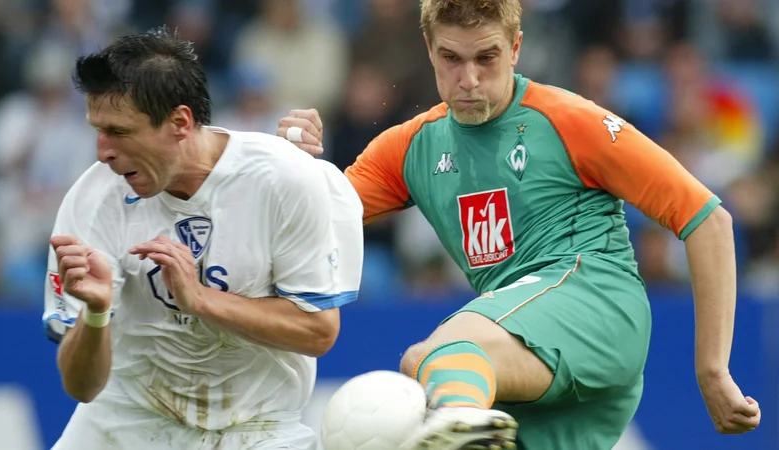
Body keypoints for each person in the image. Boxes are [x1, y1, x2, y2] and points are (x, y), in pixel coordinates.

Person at [276, 0, 761, 448]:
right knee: (427, 370)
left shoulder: (571, 121)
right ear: (429, 50)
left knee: (438, 357)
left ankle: (458, 424)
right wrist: (293, 166)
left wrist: (713, 370)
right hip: (526, 357)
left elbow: (707, 220)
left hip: (598, 307)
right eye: (451, 59)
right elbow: (312, 218)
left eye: (486, 58)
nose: (468, 79)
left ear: (515, 48)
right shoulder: (410, 147)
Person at [42, 26, 364, 450]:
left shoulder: (285, 179)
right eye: (97, 130)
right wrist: (97, 313)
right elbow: (81, 388)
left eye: (119, 132)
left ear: (180, 122)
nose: (103, 151)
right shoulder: (92, 200)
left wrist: (201, 300)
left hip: (257, 428)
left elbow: (318, 332)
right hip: (125, 420)